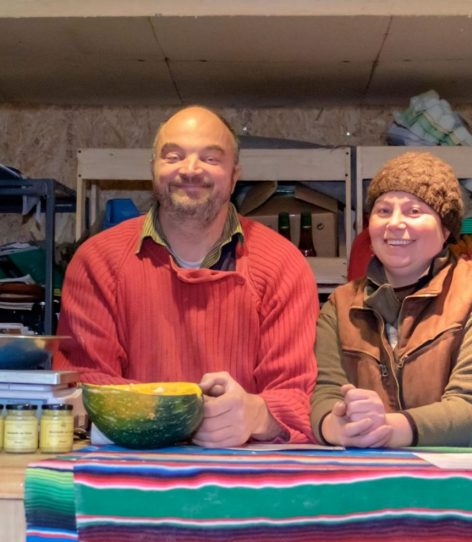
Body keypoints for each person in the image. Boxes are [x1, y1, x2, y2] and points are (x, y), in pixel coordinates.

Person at [55, 105, 319, 447]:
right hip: (130, 473)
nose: (190, 170)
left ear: (234, 175)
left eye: (210, 158)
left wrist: (258, 414)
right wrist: (190, 412)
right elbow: (87, 381)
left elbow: (296, 394)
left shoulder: (283, 263)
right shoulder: (98, 260)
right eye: (174, 155)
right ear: (153, 169)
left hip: (246, 478)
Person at [311, 151, 472, 448]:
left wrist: (386, 428)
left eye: (414, 211)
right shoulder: (340, 305)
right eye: (383, 211)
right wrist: (335, 426)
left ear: (446, 229)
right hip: (368, 476)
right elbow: (324, 393)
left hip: (469, 481)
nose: (395, 224)